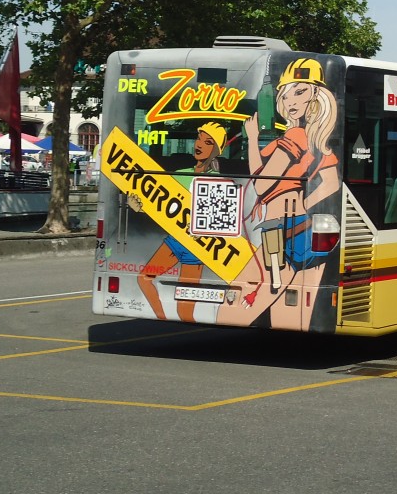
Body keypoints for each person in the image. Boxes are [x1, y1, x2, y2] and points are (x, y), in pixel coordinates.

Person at [238, 58, 339, 311]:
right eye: (285, 94)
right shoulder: (318, 140)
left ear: (317, 94)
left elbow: (261, 185)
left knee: (251, 297)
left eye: (300, 91)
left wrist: (252, 140)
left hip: (277, 228)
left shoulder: (295, 135)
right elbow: (331, 184)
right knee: (294, 307)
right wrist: (304, 204)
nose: (290, 101)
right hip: (301, 226)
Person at [134, 121, 228, 322]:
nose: (200, 144)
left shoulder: (218, 181)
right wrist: (139, 207)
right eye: (199, 138)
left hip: (197, 247)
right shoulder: (179, 174)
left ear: (216, 151)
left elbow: (220, 220)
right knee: (144, 279)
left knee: (184, 312)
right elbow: (161, 205)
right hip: (175, 241)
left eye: (208, 142)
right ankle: (162, 320)